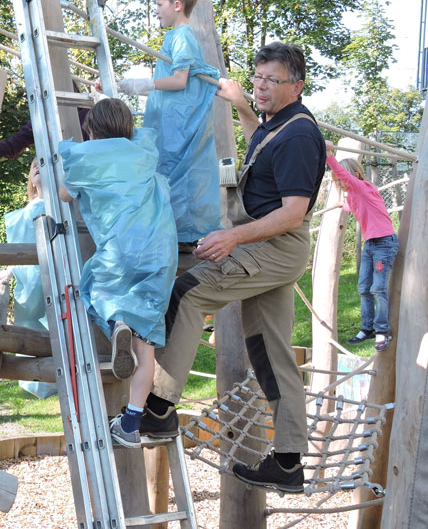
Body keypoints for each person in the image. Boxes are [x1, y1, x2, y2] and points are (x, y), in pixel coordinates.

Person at [140, 42, 325, 493]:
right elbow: (257, 144)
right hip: (271, 245)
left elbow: (294, 213)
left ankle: (160, 409)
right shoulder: (276, 123)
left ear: (296, 86)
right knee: (269, 349)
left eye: (271, 81)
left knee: (187, 292)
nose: (261, 86)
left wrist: (231, 236)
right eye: (258, 78)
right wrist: (243, 106)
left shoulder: (301, 135)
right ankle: (287, 461)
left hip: (275, 244)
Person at [57, 98, 177, 447]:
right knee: (147, 347)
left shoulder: (87, 157)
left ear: (91, 131)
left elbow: (65, 194)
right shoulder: (143, 152)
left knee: (98, 292)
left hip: (120, 251)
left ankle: (115, 325)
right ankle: (130, 424)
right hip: (160, 254)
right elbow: (136, 134)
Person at [102, 0, 222, 246]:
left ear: (177, 5)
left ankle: (183, 236)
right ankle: (173, 232)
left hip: (179, 124)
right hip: (171, 120)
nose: (155, 10)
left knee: (178, 178)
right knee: (167, 175)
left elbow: (180, 80)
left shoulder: (182, 36)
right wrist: (126, 86)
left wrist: (144, 84)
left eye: (158, 4)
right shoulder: (175, 36)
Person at [326, 145, 399, 352]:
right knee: (363, 288)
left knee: (378, 288)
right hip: (371, 244)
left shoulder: (364, 187)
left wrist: (329, 156)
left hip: (384, 243)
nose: (341, 182)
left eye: (343, 178)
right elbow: (352, 206)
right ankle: (368, 327)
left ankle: (382, 330)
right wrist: (342, 204)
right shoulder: (352, 195)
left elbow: (345, 177)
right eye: (338, 180)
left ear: (356, 175)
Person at [3, 159, 57, 398]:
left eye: (41, 164)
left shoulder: (60, 205)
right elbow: (15, 247)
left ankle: (55, 378)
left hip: (53, 274)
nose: (37, 168)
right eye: (33, 165)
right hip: (28, 279)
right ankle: (34, 379)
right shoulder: (23, 212)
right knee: (30, 326)